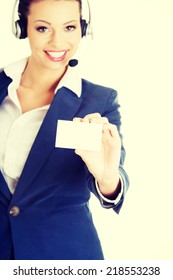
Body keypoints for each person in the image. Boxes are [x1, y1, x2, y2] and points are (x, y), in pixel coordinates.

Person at [0, 0, 129, 260]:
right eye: (43, 28)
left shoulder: (98, 101)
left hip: (64, 256)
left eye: (69, 27)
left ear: (83, 28)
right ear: (22, 28)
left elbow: (111, 178)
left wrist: (107, 178)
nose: (58, 42)